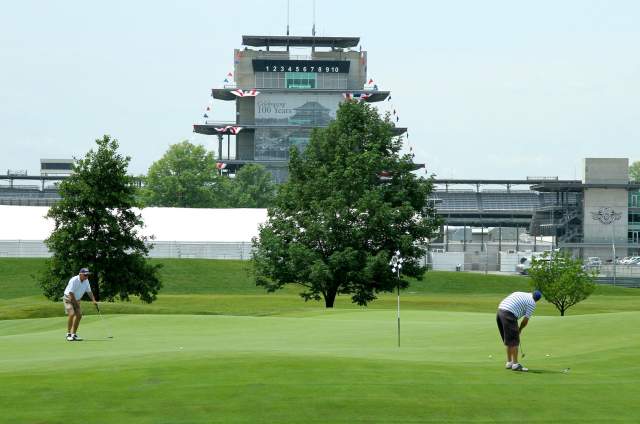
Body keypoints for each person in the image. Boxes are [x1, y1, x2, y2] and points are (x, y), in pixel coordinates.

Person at [496, 290, 542, 372]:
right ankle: (515, 365)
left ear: (531, 293)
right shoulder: (532, 303)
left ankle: (509, 363)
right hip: (509, 314)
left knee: (509, 340)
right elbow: (525, 320)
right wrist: (519, 329)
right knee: (514, 341)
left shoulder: (519, 293)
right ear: (536, 300)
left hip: (500, 312)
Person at [63, 268, 97, 341]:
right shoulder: (74, 280)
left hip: (77, 300)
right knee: (71, 314)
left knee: (79, 315)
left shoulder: (86, 281)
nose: (87, 276)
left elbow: (89, 292)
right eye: (85, 275)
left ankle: (74, 334)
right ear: (80, 274)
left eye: (87, 275)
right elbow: (71, 293)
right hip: (68, 299)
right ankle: (68, 334)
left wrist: (94, 300)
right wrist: (76, 304)